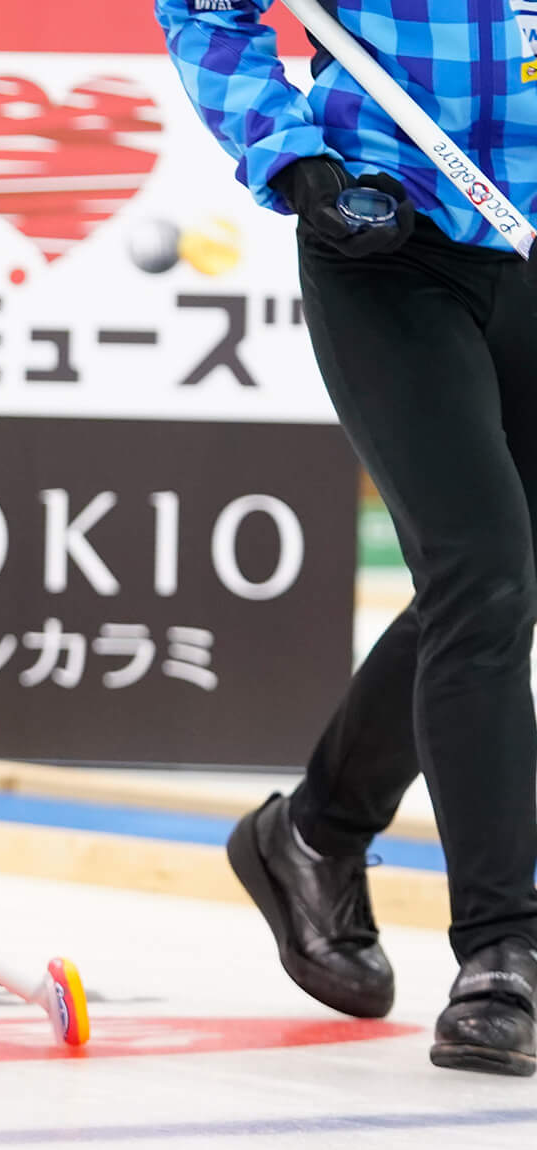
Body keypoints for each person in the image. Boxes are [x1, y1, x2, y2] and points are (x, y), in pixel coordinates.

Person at [157, 1, 537, 1075]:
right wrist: (293, 158)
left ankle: (315, 832)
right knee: (485, 575)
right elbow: (204, 12)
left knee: (499, 583)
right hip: (388, 238)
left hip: (529, 237)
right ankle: (502, 951)